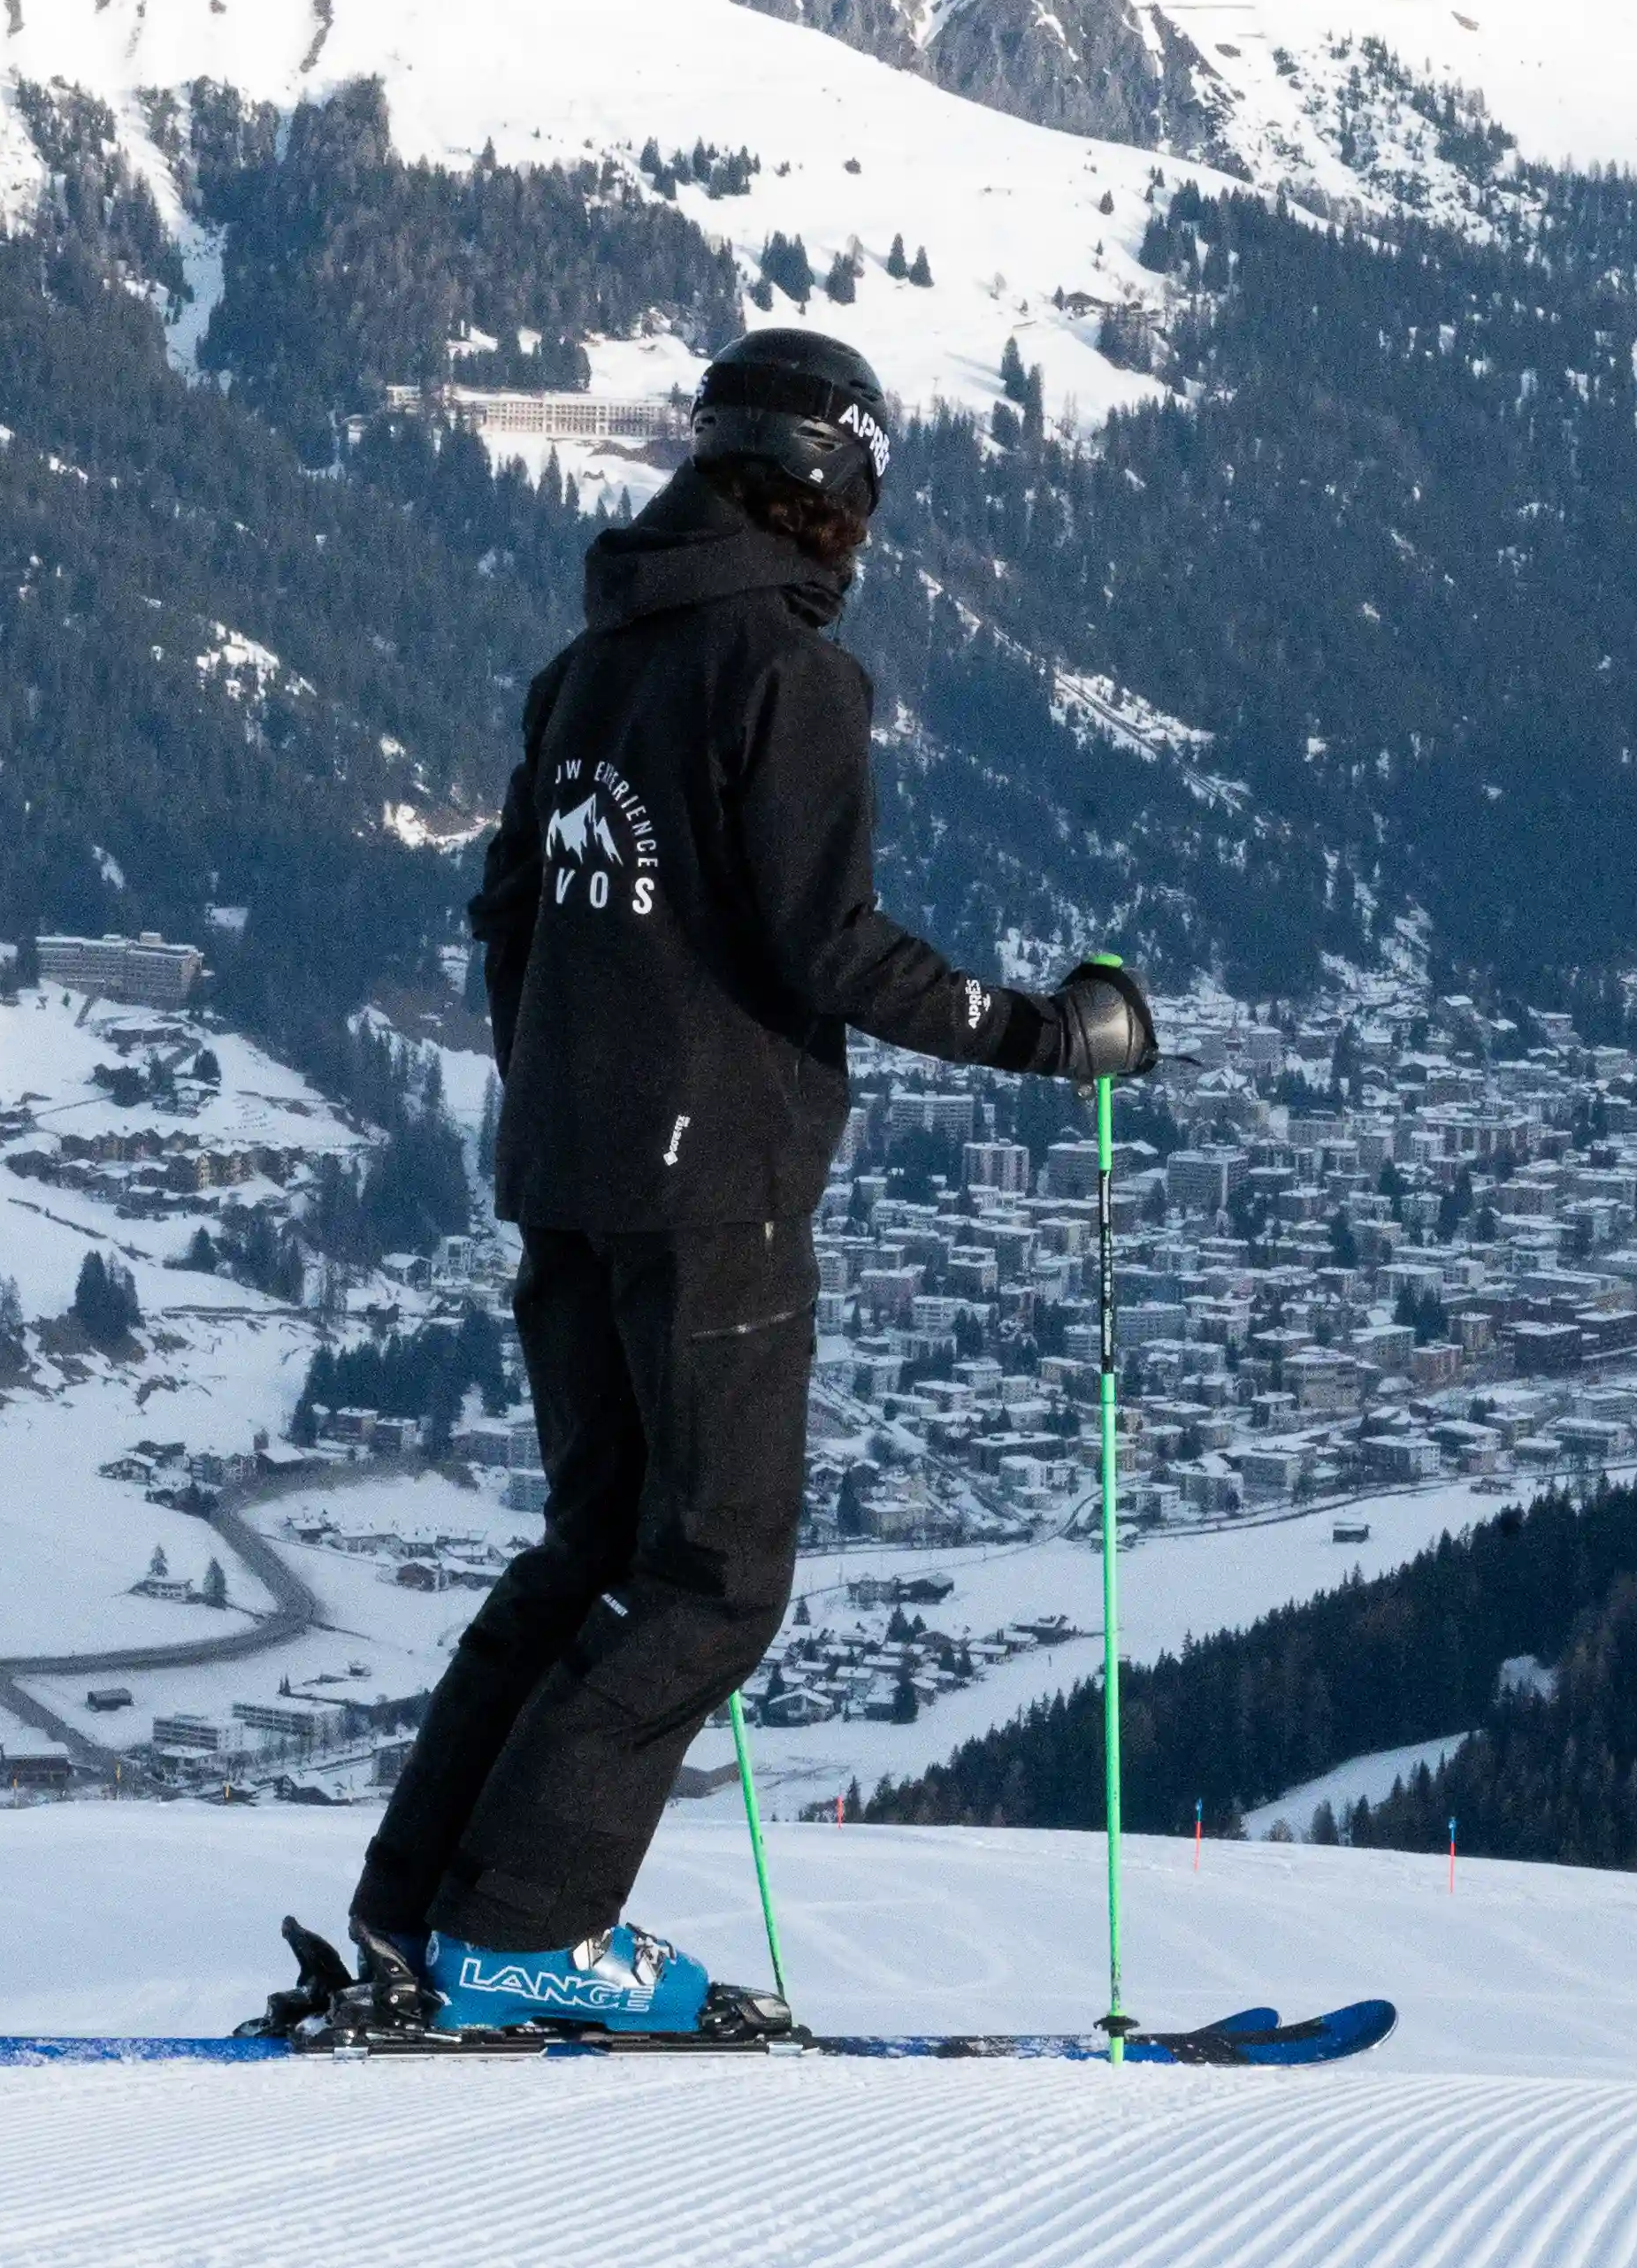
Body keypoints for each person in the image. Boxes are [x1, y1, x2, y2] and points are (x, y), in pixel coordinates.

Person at [327, 326, 1155, 2036]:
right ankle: (534, 1933)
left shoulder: (586, 667)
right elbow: (824, 942)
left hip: (562, 1173)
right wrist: (1041, 1034)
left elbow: (512, 919)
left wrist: (582, 1082)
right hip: (713, 1197)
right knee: (712, 1577)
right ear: (840, 482)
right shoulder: (784, 677)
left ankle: (420, 1917)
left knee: (590, 1552)